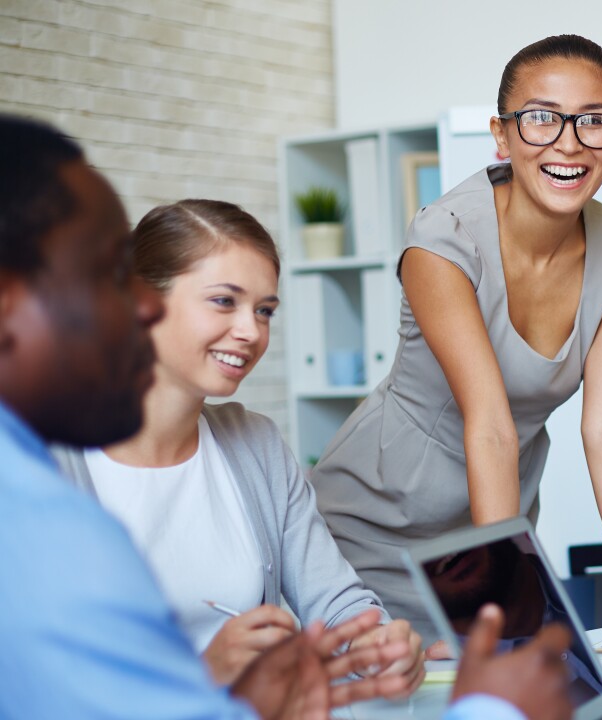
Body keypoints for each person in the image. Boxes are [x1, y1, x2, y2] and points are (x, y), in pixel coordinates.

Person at [0, 114, 418, 719]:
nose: (250, 332)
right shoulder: (46, 472)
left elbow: (335, 598)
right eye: (224, 301)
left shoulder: (253, 442)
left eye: (266, 310)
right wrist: (204, 676)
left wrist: (377, 640)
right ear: (142, 299)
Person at [311, 34, 602, 632]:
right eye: (541, 118)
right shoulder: (442, 241)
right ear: (502, 133)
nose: (568, 143)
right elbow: (488, 424)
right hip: (374, 531)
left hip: (490, 524)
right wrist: (503, 614)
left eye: (594, 121)